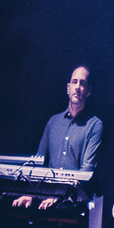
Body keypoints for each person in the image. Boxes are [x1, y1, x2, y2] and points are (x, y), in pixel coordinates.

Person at [12, 65, 101, 211]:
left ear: (88, 91)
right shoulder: (53, 122)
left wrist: (60, 196)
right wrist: (30, 194)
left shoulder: (95, 125)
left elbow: (86, 172)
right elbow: (38, 163)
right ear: (68, 88)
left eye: (82, 83)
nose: (77, 87)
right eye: (74, 82)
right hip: (46, 196)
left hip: (74, 202)